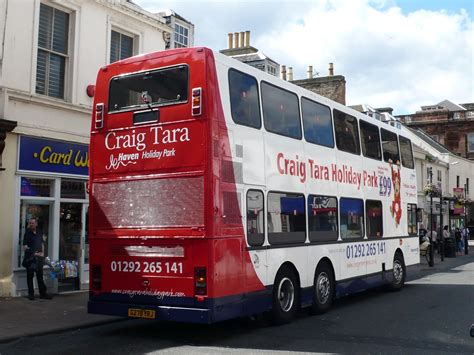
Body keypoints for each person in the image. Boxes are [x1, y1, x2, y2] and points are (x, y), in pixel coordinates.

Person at [22, 217, 52, 300]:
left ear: (36, 224)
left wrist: (42, 253)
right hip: (30, 258)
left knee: (40, 277)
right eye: (30, 223)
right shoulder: (27, 234)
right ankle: (31, 294)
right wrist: (33, 252)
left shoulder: (39, 232)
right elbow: (24, 247)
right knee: (30, 277)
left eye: (32, 223)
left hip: (39, 259)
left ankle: (43, 294)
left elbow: (42, 243)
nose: (31, 224)